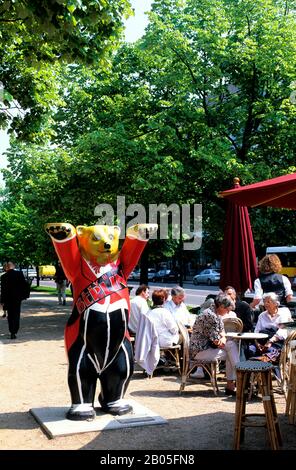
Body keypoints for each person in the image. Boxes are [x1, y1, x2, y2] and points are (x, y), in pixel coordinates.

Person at [189, 293, 239, 396]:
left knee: (231, 346)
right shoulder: (210, 316)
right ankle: (238, 378)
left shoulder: (214, 312)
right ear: (221, 306)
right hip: (199, 351)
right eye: (227, 309)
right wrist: (223, 338)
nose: (228, 312)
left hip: (205, 347)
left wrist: (223, 338)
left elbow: (222, 333)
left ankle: (235, 381)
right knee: (231, 349)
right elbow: (217, 341)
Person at [249, 292, 292, 362]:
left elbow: (283, 331)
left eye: (268, 302)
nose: (265, 304)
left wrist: (270, 342)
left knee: (269, 351)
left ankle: (267, 368)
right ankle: (250, 369)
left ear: (276, 303)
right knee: (250, 349)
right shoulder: (262, 315)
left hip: (277, 342)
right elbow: (256, 331)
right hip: (262, 342)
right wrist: (257, 344)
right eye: (264, 302)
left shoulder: (284, 313)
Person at [0, 261, 29, 339]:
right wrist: (24, 296)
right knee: (16, 314)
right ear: (12, 266)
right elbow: (24, 285)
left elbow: (3, 290)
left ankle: (11, 330)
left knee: (10, 315)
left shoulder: (3, 277)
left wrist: (2, 301)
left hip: (8, 299)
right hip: (17, 298)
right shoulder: (19, 274)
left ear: (6, 267)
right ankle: (14, 331)